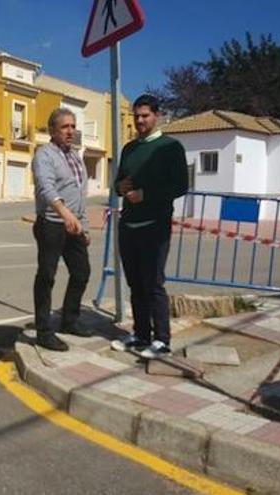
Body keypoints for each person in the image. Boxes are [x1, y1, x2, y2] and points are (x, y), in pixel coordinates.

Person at [112, 94, 188, 358]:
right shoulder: (129, 149)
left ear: (157, 116)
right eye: (136, 116)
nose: (140, 120)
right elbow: (119, 181)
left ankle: (162, 340)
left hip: (155, 226)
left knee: (153, 282)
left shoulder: (171, 147)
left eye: (145, 115)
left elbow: (180, 186)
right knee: (135, 283)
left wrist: (146, 194)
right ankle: (141, 335)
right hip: (128, 225)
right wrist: (118, 188)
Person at [31, 107, 92, 351]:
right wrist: (64, 213)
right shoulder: (44, 155)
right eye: (65, 127)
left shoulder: (76, 156)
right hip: (51, 224)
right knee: (47, 276)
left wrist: (83, 225)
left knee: (81, 272)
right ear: (53, 130)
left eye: (73, 126)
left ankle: (69, 320)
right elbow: (46, 188)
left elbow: (80, 194)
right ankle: (44, 332)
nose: (70, 131)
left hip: (73, 225)